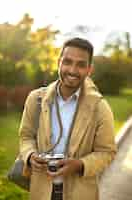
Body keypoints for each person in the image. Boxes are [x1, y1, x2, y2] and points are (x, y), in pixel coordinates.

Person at [19, 37, 116, 200]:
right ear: (59, 62)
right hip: (40, 191)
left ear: (89, 70)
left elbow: (107, 152)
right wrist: (30, 155)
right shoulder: (35, 99)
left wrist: (80, 165)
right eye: (68, 62)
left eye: (80, 65)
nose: (72, 70)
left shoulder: (100, 107)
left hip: (80, 193)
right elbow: (26, 136)